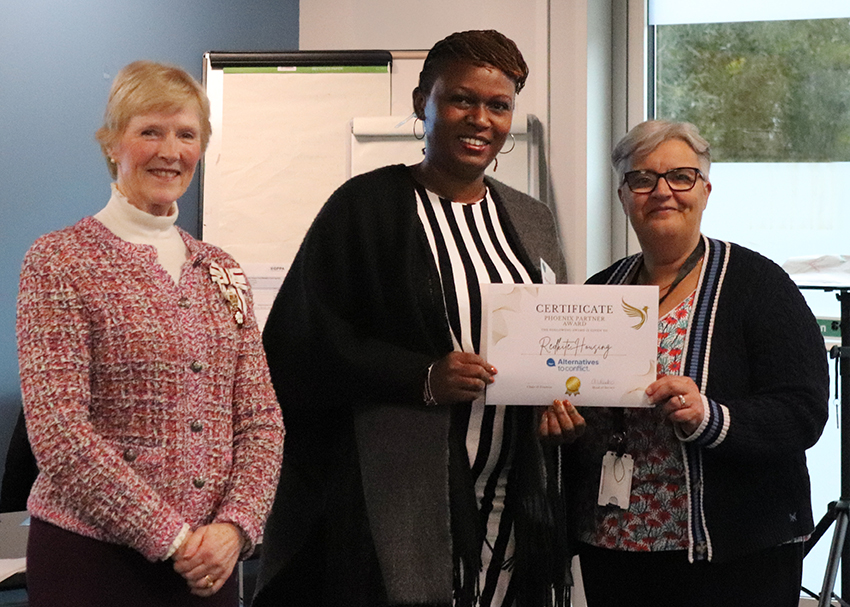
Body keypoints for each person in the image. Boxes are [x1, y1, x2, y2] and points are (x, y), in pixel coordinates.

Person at [254, 30, 584, 607]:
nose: (480, 119)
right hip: (401, 494)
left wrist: (560, 398)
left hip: (512, 493)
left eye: (499, 105)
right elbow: (298, 346)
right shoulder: (364, 207)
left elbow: (553, 334)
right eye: (461, 99)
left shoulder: (531, 220)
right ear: (421, 103)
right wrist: (422, 377)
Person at [16, 60, 284, 607]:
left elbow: (261, 420)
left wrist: (234, 529)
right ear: (113, 143)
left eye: (186, 134)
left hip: (209, 567)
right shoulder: (59, 260)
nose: (171, 150)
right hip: (92, 564)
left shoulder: (221, 269)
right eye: (150, 132)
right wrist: (174, 539)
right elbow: (59, 434)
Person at [569, 119, 829, 606]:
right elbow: (581, 406)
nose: (662, 191)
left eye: (681, 177)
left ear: (706, 190)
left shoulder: (759, 285)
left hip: (736, 553)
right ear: (624, 196)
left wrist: (710, 417)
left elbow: (803, 410)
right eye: (642, 179)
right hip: (615, 546)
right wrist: (564, 425)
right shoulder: (598, 293)